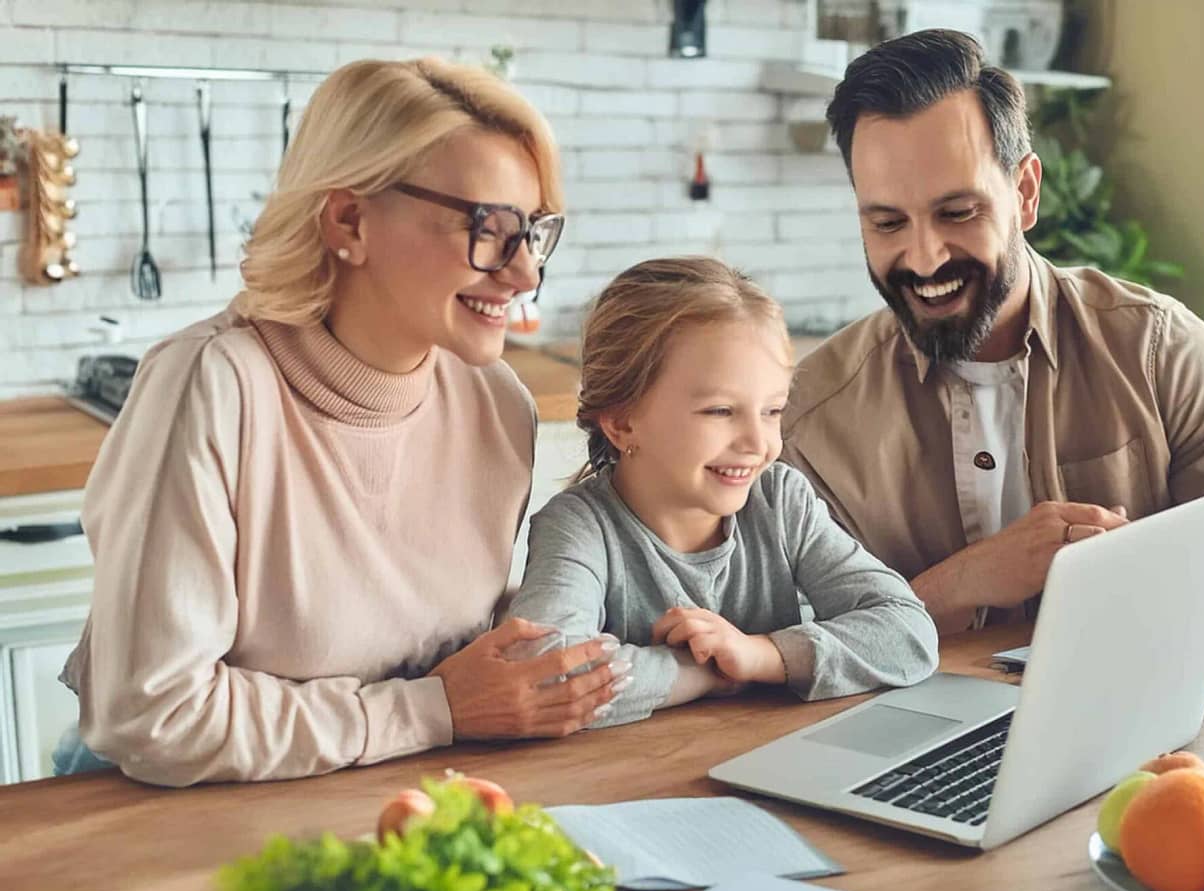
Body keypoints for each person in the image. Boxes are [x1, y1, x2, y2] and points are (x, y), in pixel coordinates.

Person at [57, 58, 623, 787]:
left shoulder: (494, 403)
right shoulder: (215, 385)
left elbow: (420, 640)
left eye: (534, 233)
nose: (522, 276)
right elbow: (155, 715)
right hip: (167, 810)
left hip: (382, 787)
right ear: (349, 220)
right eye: (489, 228)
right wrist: (433, 710)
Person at [781, 29, 1204, 661]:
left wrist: (1119, 589)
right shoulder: (809, 421)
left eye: (958, 212)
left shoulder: (1156, 350)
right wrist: (967, 580)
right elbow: (786, 642)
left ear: (1026, 193)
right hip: (913, 751)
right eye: (888, 222)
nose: (923, 257)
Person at [507, 257, 939, 728]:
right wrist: (707, 671)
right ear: (622, 420)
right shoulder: (579, 528)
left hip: (765, 762)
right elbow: (545, 676)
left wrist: (760, 655)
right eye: (719, 411)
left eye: (773, 411)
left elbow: (909, 632)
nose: (758, 445)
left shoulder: (779, 501)